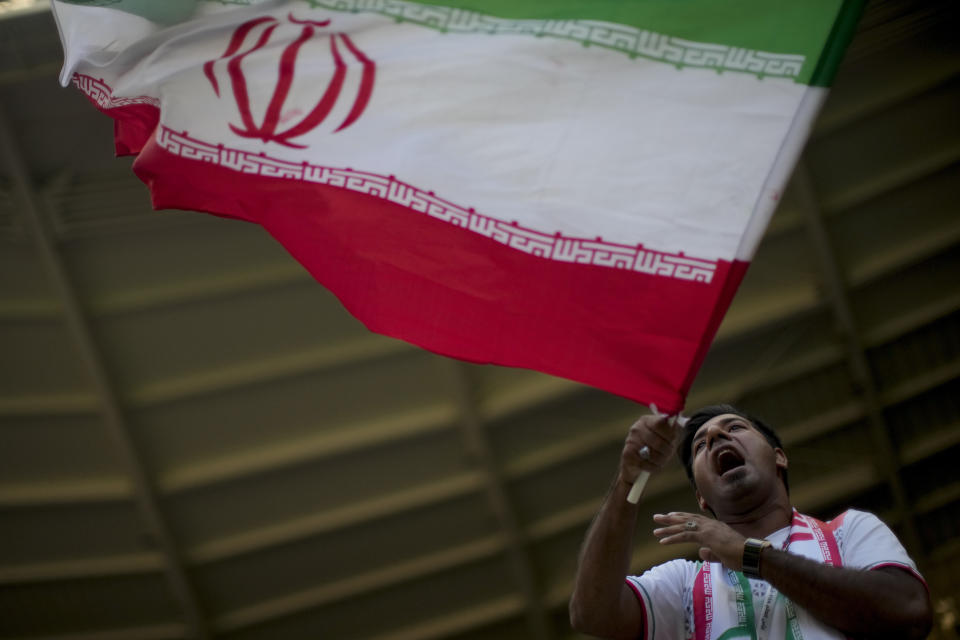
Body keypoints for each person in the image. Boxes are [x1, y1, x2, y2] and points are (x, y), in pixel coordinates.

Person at [569, 404, 932, 639]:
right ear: (701, 498)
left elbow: (910, 612)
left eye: (735, 427)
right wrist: (628, 481)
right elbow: (591, 614)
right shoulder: (683, 582)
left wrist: (750, 555)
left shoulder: (849, 530)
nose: (714, 436)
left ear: (779, 458)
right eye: (699, 446)